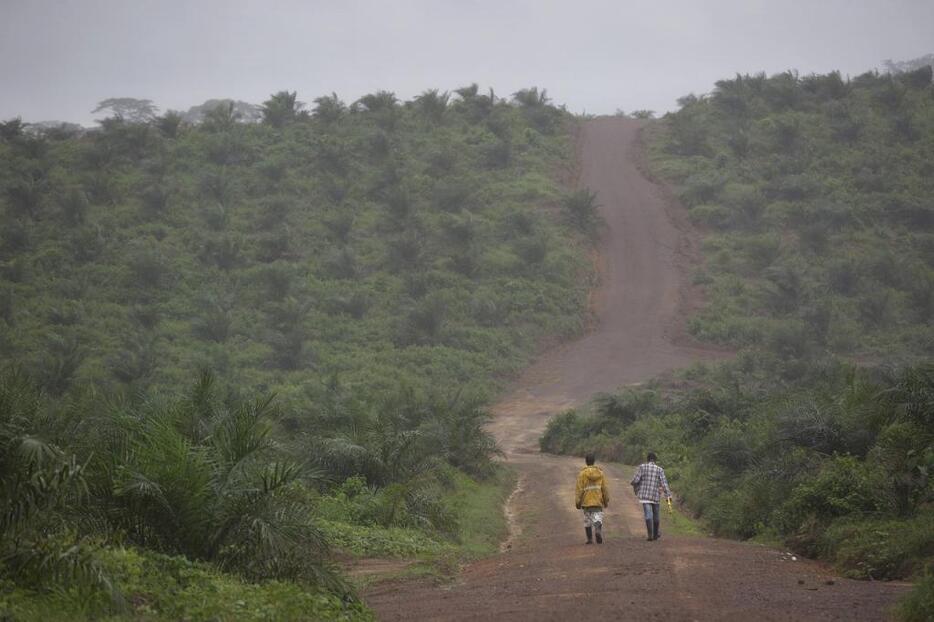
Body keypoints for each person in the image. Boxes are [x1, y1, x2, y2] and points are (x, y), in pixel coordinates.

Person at [630, 451, 671, 541]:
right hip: (655, 496)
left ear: (647, 459)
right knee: (656, 516)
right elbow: (664, 484)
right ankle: (656, 535)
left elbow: (635, 480)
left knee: (648, 515)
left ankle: (650, 535)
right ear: (655, 460)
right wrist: (668, 495)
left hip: (645, 496)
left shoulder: (642, 467)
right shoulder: (660, 469)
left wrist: (635, 485)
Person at [575, 453, 609, 544]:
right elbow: (604, 489)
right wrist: (606, 500)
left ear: (586, 462)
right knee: (597, 518)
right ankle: (597, 530)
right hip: (598, 500)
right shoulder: (600, 473)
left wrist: (578, 502)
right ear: (594, 461)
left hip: (586, 501)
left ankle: (590, 539)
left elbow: (579, 489)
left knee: (587, 521)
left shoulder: (582, 474)